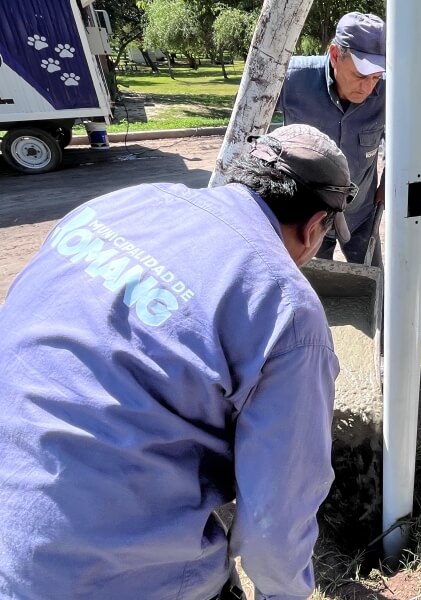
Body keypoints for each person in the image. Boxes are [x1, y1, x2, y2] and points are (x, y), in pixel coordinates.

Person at [0, 124, 358, 599]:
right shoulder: (285, 308)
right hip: (108, 579)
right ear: (315, 228)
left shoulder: (119, 205)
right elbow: (276, 521)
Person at [277, 11, 386, 266]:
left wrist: (389, 180)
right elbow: (250, 125)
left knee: (372, 287)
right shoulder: (291, 79)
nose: (368, 87)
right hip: (305, 218)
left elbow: (400, 140)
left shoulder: (387, 93)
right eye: (360, 75)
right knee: (311, 292)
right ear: (335, 55)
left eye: (376, 77)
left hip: (360, 214)